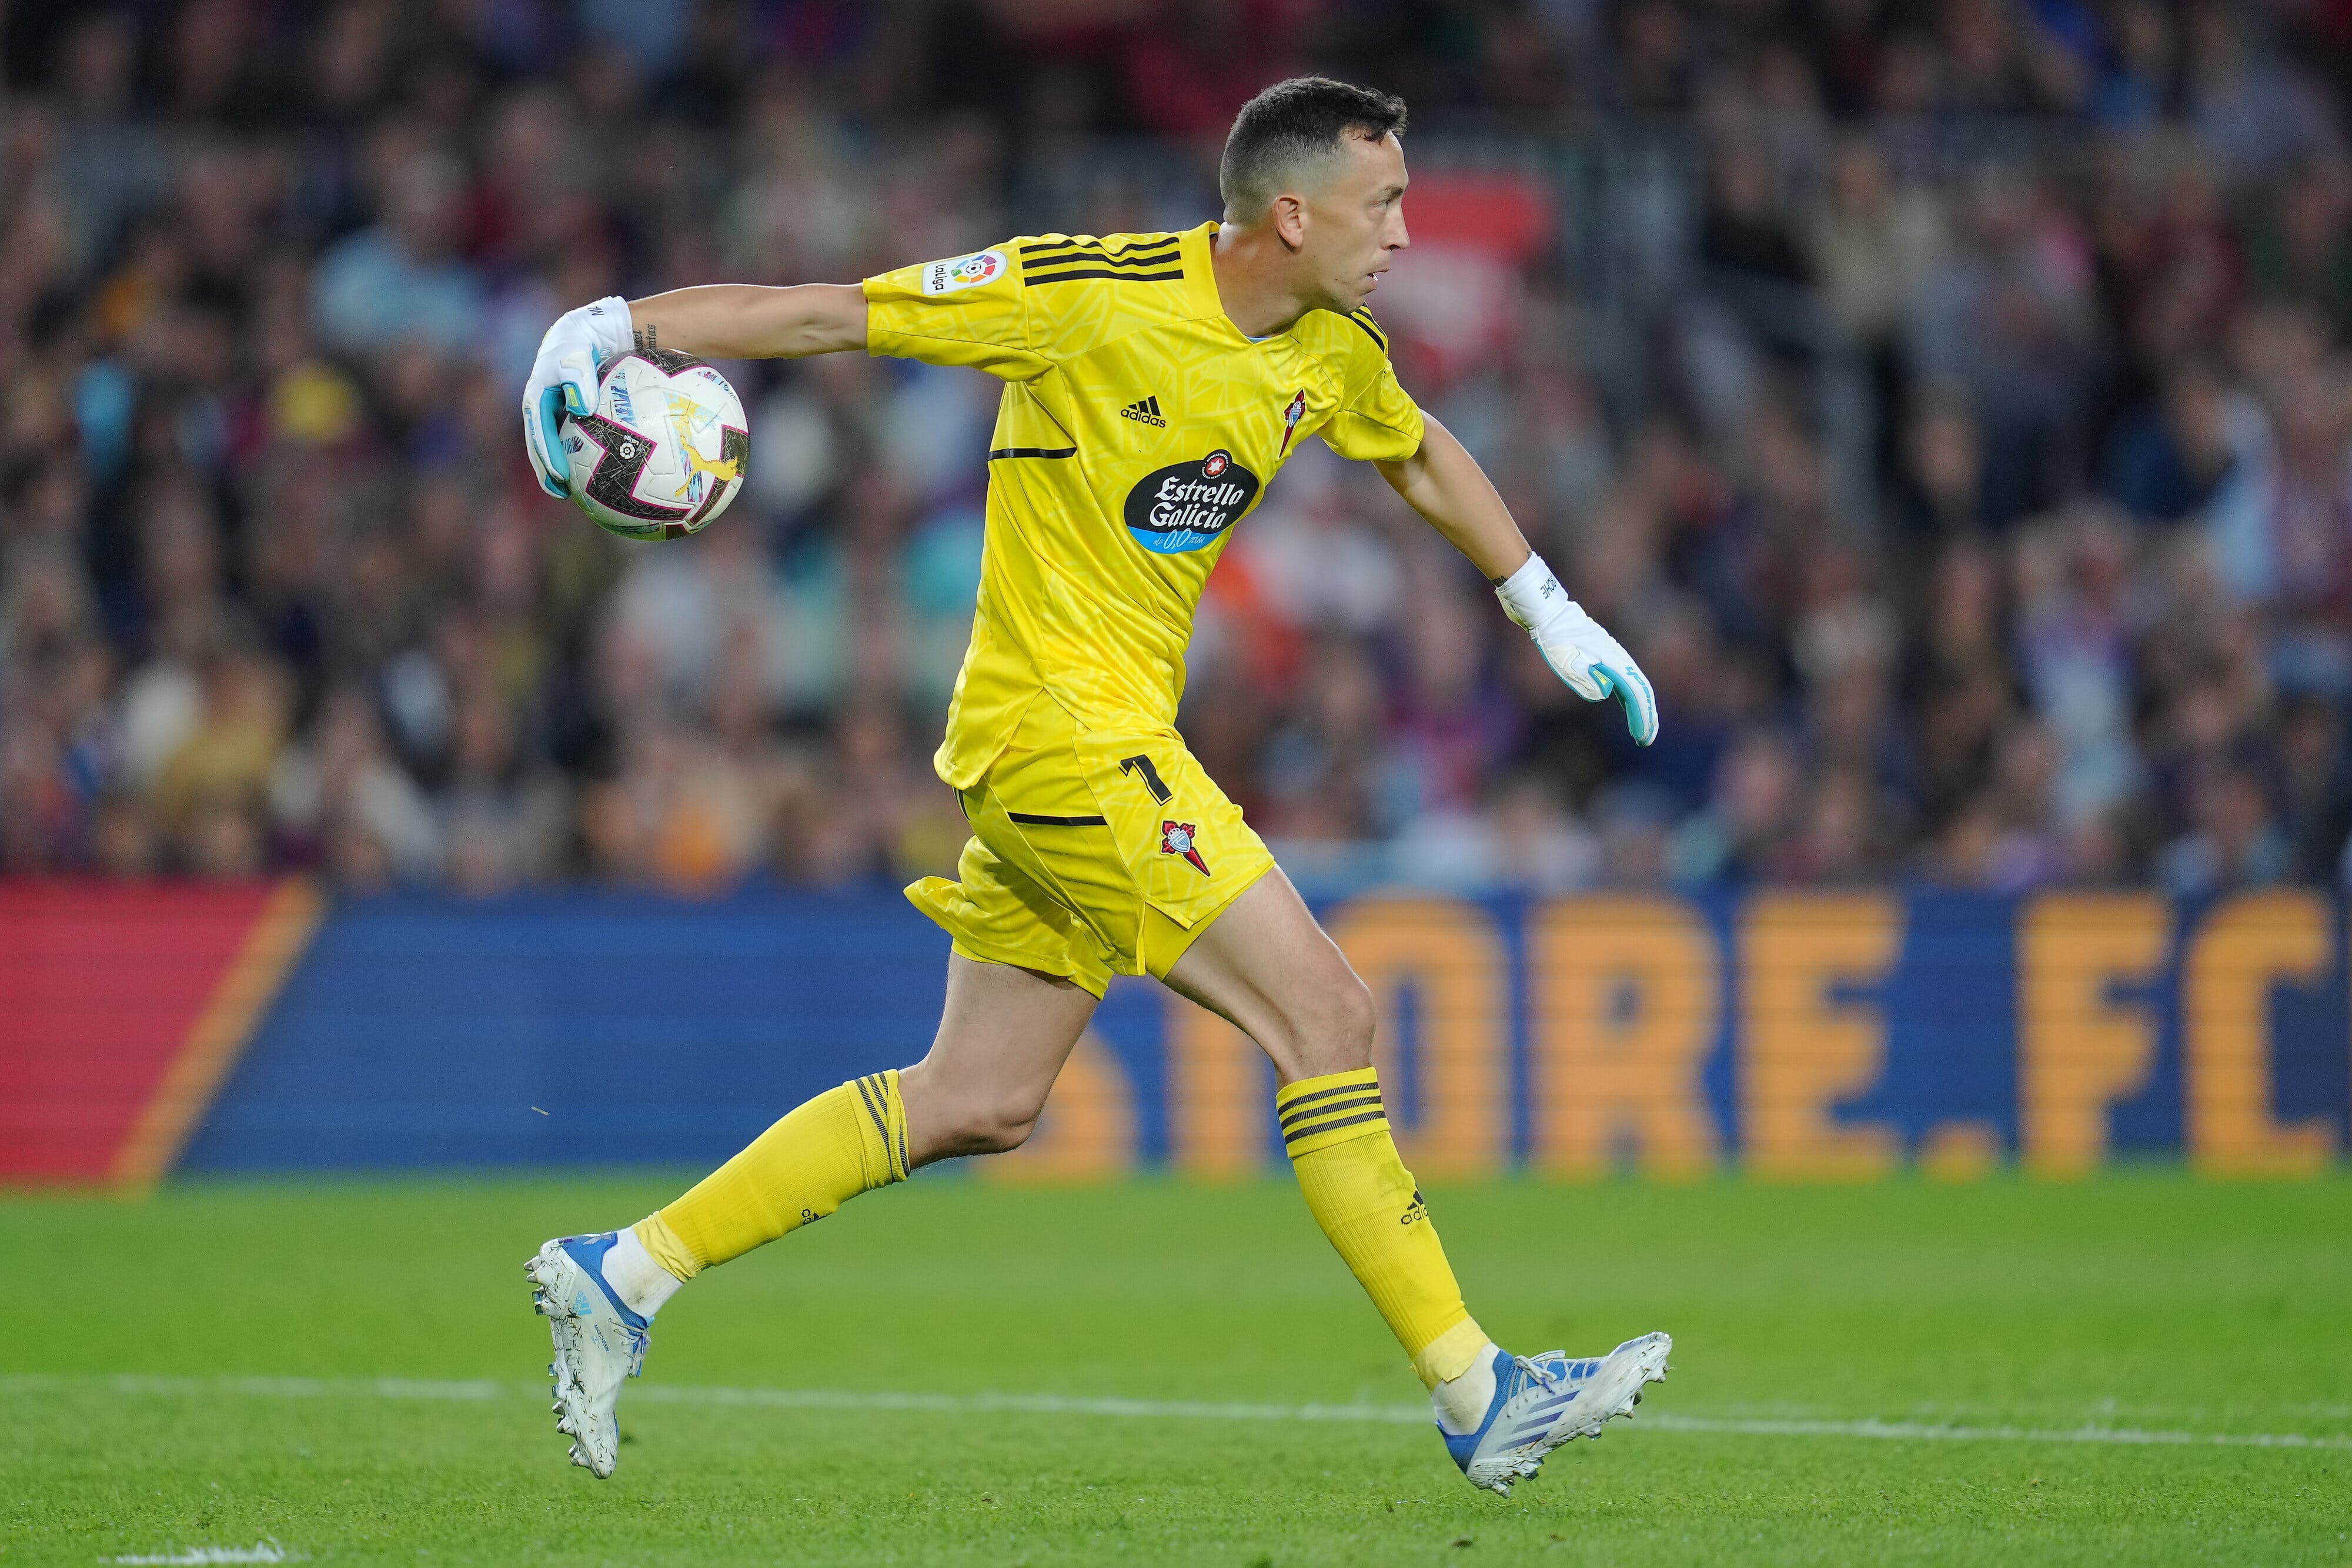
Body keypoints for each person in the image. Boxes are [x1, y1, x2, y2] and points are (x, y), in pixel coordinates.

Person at [517, 76, 1667, 1497]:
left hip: (1082, 756)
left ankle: (620, 1272)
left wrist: (1543, 604)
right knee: (1326, 1009)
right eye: (1384, 204)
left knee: (977, 1098)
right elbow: (834, 311)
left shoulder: (1325, 348)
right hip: (1060, 741)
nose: (1406, 233)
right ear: (1290, 212)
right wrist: (622, 327)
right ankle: (1475, 1386)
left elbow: (1417, 448)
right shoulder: (1078, 292)